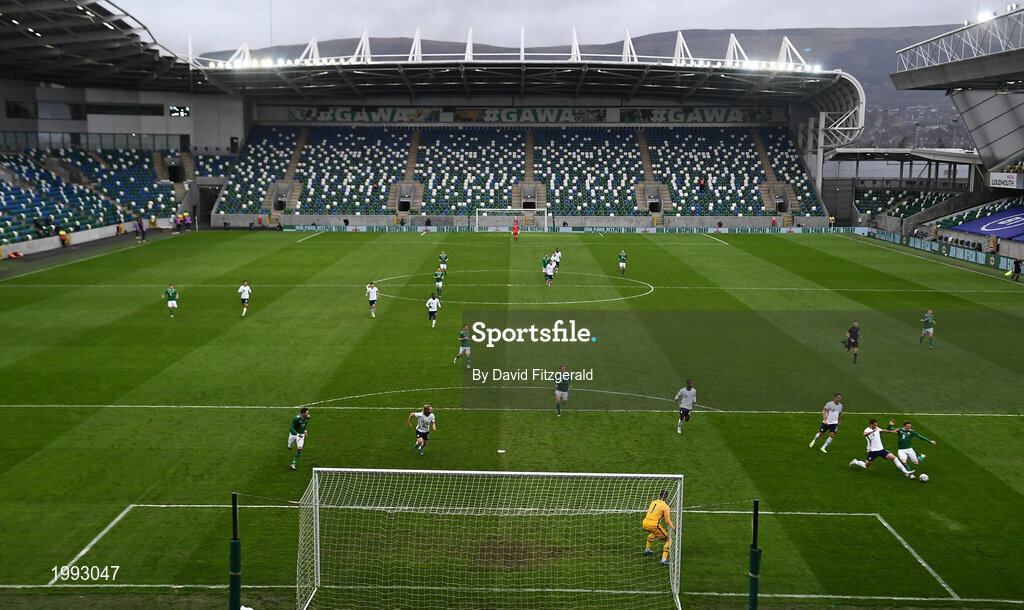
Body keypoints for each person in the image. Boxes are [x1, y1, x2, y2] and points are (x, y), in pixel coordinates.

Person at [849, 419, 916, 478]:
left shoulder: (877, 428)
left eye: (876, 425)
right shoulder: (867, 430)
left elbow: (883, 430)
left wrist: (892, 431)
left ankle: (906, 472)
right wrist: (872, 431)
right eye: (874, 425)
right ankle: (856, 462)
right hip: (873, 451)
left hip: (881, 450)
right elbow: (864, 434)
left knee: (895, 458)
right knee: (866, 465)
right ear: (871, 424)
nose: (876, 426)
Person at [642, 490, 676, 566]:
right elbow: (667, 521)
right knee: (668, 540)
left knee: (652, 532)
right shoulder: (666, 507)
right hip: (654, 525)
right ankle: (663, 560)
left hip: (645, 523)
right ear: (666, 497)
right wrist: (674, 529)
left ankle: (647, 550)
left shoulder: (653, 502)